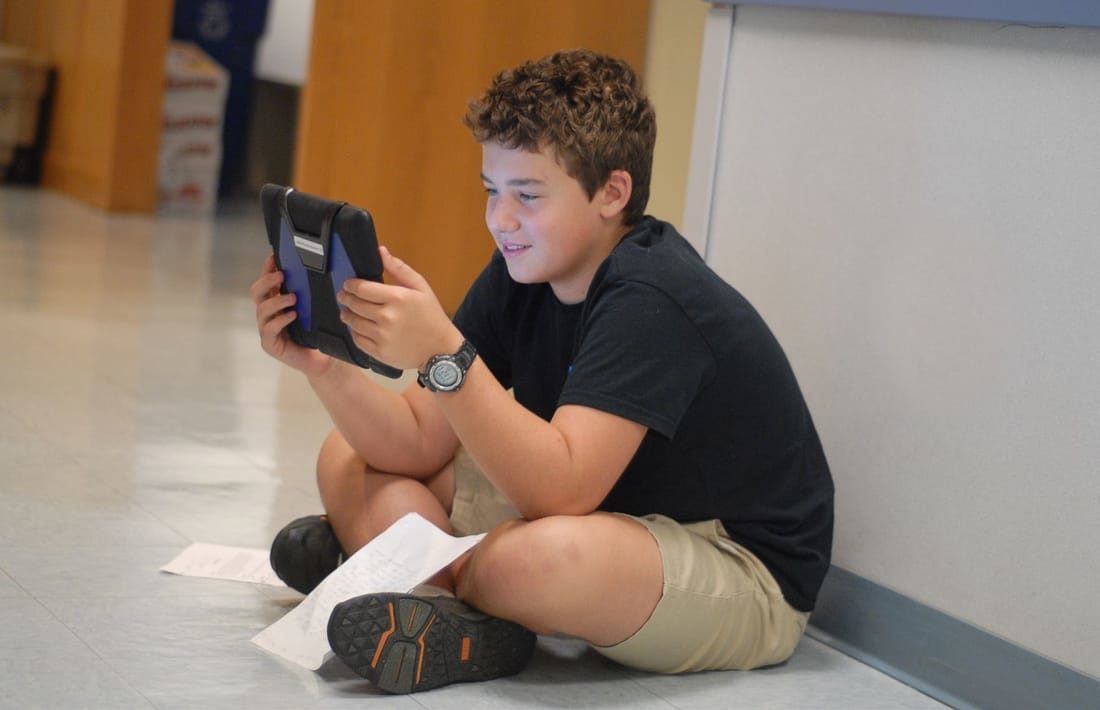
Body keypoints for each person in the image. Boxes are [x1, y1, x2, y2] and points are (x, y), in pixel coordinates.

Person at [251, 48, 834, 695]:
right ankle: (441, 603)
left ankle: (396, 576)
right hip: (607, 508)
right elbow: (413, 441)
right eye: (492, 191)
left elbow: (560, 493)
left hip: (738, 564)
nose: (501, 220)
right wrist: (324, 366)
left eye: (527, 195)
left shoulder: (653, 294)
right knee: (348, 456)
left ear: (612, 192)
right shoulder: (524, 267)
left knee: (542, 560)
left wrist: (444, 354)